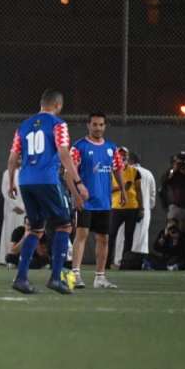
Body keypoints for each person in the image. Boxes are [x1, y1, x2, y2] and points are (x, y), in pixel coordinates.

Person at [8, 89, 89, 295]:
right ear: (58, 105)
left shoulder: (23, 125)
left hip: (25, 181)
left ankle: (21, 278)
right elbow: (63, 152)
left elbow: (13, 157)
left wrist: (10, 182)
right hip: (47, 180)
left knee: (35, 229)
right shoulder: (58, 124)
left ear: (41, 103)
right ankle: (55, 278)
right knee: (64, 225)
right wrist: (78, 182)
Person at [70, 113, 125, 289]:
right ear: (88, 125)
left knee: (104, 238)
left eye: (101, 125)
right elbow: (69, 172)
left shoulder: (111, 148)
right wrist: (76, 195)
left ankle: (100, 278)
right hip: (85, 201)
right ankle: (75, 275)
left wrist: (123, 190)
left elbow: (117, 169)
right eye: (94, 124)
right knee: (81, 236)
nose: (98, 128)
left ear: (105, 126)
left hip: (104, 202)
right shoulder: (79, 147)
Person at [114, 152, 157, 265]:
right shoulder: (148, 174)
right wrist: (146, 208)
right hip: (144, 211)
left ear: (129, 160)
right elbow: (152, 197)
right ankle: (139, 262)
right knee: (141, 238)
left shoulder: (125, 172)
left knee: (122, 236)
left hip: (125, 208)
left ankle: (121, 261)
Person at [161, 150, 185, 266]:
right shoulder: (172, 172)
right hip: (176, 208)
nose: (182, 163)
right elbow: (164, 182)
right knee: (171, 235)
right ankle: (172, 261)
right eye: (180, 160)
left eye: (184, 160)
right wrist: (174, 169)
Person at [107, 146, 141, 269]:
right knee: (111, 235)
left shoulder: (135, 171)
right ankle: (106, 263)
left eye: (124, 155)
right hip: (116, 207)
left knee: (129, 236)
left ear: (128, 157)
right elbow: (107, 189)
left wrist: (141, 208)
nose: (122, 157)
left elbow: (138, 190)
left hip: (132, 207)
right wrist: (121, 187)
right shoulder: (110, 171)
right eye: (120, 154)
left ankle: (125, 263)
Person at [0, 165, 24, 266]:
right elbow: (5, 191)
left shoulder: (27, 171)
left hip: (25, 208)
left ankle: (23, 258)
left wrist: (24, 207)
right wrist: (14, 206)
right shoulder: (7, 173)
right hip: (12, 209)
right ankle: (9, 258)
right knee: (10, 231)